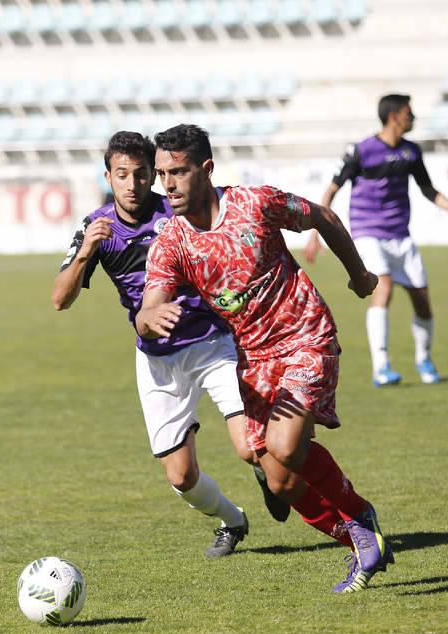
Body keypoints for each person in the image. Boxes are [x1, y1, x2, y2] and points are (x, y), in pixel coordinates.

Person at [137, 124, 394, 593]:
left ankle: (360, 516)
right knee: (278, 483)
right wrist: (149, 317)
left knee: (284, 445)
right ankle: (359, 542)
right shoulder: (172, 242)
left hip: (305, 336)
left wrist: (358, 275)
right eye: (161, 174)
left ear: (206, 169)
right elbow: (149, 302)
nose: (167, 185)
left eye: (178, 172)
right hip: (254, 362)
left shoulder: (254, 204)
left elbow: (322, 217)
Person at [51, 131, 292, 559]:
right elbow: (59, 299)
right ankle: (232, 521)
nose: (132, 184)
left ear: (154, 177)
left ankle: (289, 486)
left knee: (251, 446)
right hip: (158, 360)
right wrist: (87, 251)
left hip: (212, 342)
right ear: (108, 177)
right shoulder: (97, 228)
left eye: (142, 175)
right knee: (180, 477)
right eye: (121, 175)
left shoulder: (178, 212)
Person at [304, 93, 448, 387]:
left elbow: (429, 190)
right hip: (368, 233)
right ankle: (381, 367)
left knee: (422, 301)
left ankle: (424, 360)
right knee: (382, 287)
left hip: (401, 237)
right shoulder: (361, 151)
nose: (413, 118)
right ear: (394, 116)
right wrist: (315, 233)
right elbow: (331, 191)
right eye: (409, 113)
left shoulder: (411, 152)